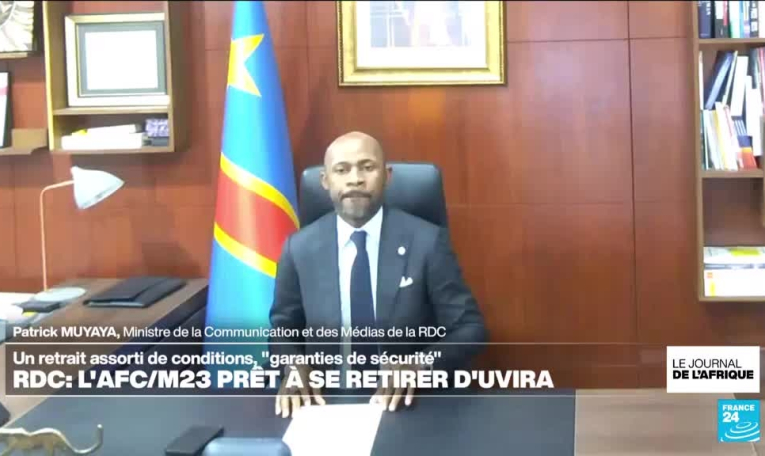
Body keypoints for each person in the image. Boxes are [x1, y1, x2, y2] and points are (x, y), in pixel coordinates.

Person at [269, 131, 487, 418]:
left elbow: (469, 328)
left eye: (367, 167)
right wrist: (293, 365)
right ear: (325, 180)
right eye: (342, 170)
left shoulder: (426, 242)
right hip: (326, 403)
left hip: (408, 401)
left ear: (387, 176)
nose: (355, 179)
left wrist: (420, 365)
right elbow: (282, 329)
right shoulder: (298, 248)